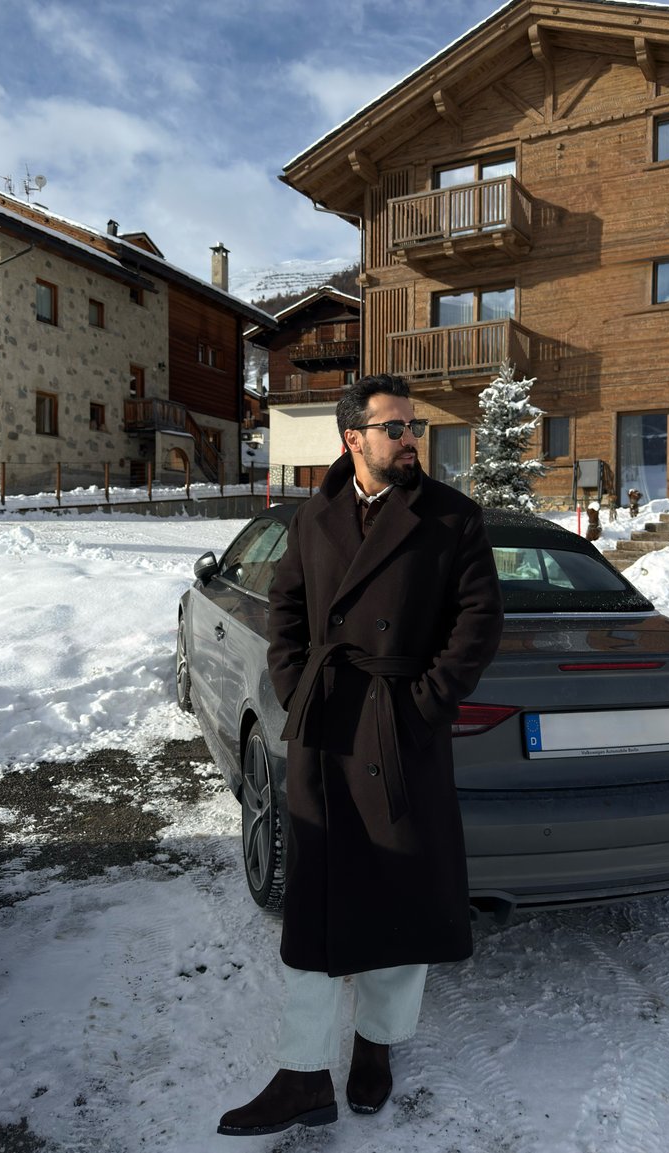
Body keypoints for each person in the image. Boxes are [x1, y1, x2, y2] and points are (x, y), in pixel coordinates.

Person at [218, 373, 504, 1137]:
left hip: (398, 730)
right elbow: (285, 606)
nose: (411, 438)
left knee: (399, 894)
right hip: (327, 728)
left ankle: (376, 1043)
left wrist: (423, 704)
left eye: (414, 426)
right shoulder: (316, 516)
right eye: (394, 427)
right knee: (313, 901)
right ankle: (303, 1072)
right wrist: (294, 682)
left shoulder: (451, 517)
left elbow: (478, 623)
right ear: (353, 439)